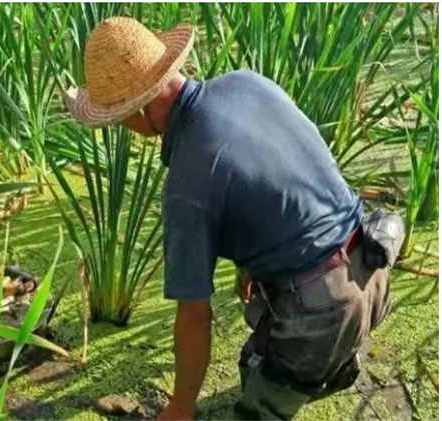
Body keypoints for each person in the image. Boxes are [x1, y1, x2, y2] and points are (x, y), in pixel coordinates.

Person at [64, 17, 393, 421]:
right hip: (374, 264)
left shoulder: (188, 182)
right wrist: (251, 261)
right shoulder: (245, 82)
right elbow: (280, 177)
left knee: (254, 411)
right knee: (267, 347)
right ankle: (323, 363)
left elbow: (194, 317)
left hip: (326, 310)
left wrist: (181, 407)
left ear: (142, 107)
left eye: (116, 116)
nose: (121, 127)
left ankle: (317, 366)